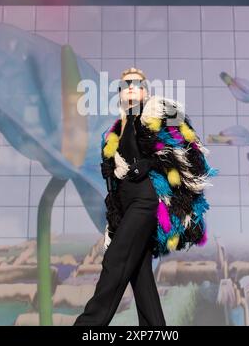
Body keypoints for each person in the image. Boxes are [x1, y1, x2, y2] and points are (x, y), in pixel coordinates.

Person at [73, 67, 217, 326]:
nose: (130, 86)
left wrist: (151, 163)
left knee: (116, 260)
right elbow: (115, 176)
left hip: (147, 199)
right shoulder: (115, 130)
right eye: (125, 83)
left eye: (136, 82)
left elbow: (187, 147)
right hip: (128, 204)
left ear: (145, 90)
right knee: (140, 276)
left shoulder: (160, 111)